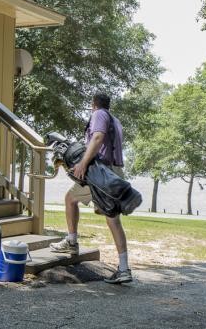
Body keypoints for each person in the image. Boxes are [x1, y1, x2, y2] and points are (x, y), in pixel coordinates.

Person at [50, 92, 132, 284]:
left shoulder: (99, 114)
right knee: (108, 218)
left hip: (102, 173)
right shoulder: (115, 120)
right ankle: (123, 268)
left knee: (72, 200)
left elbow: (97, 138)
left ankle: (72, 242)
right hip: (113, 172)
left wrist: (82, 164)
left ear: (93, 104)